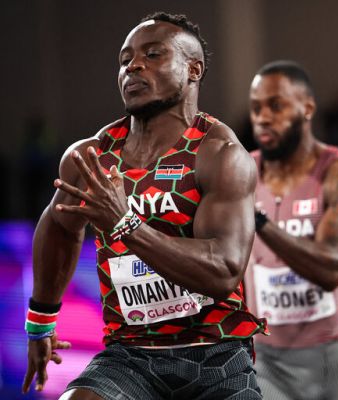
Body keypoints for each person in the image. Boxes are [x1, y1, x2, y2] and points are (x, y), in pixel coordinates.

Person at [22, 12, 266, 399]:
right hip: (131, 356)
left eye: (153, 55)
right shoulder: (92, 156)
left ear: (194, 69)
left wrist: (125, 223)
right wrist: (41, 323)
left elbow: (223, 271)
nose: (133, 66)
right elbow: (59, 228)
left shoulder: (219, 154)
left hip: (216, 354)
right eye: (125, 59)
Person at [244, 60, 338, 400]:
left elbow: (331, 268)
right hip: (268, 360)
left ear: (307, 108)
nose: (262, 117)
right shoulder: (240, 173)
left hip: (335, 355)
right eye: (256, 108)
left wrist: (259, 221)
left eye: (276, 106)